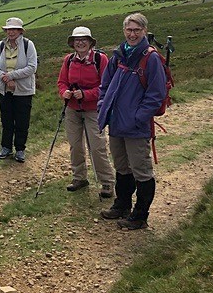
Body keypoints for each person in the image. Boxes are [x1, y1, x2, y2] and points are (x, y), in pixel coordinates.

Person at [98, 13, 166, 230]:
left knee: (141, 169)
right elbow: (105, 84)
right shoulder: (118, 55)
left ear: (144, 31)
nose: (133, 34)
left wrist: (138, 117)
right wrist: (102, 105)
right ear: (124, 30)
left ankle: (140, 215)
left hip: (136, 127)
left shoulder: (151, 58)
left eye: (137, 30)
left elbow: (156, 94)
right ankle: (122, 205)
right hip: (116, 123)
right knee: (122, 167)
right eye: (129, 29)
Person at [57, 26, 114, 198]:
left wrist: (87, 95)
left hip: (93, 110)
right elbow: (62, 82)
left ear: (90, 42)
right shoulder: (68, 60)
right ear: (72, 43)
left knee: (97, 147)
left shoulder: (100, 59)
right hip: (73, 109)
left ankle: (107, 183)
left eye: (84, 40)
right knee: (75, 146)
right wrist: (64, 92)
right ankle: (79, 177)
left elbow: (107, 86)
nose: (80, 43)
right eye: (77, 40)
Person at [0, 17, 37, 163]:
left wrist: (10, 76)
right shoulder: (0, 45)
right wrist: (5, 79)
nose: (11, 32)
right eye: (9, 29)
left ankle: (20, 149)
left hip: (23, 91)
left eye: (14, 29)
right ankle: (6, 148)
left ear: (20, 31)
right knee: (7, 120)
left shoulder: (29, 45)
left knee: (22, 121)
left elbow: (32, 67)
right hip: (4, 91)